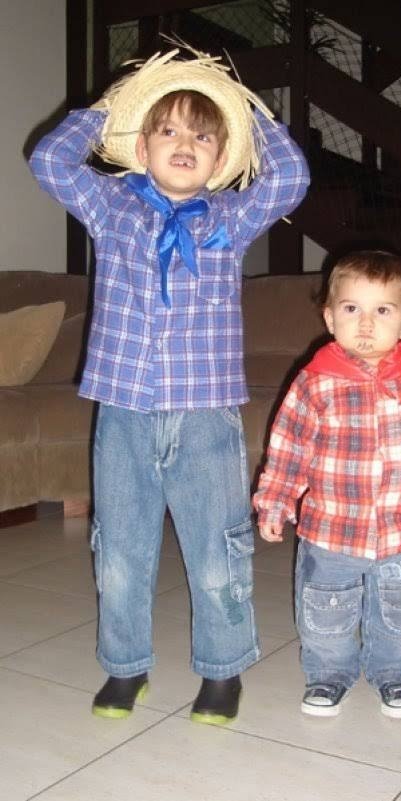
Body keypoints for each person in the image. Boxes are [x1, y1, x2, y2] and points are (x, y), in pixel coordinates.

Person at [29, 43, 310, 724]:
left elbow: (291, 178)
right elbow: (49, 161)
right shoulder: (110, 206)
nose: (185, 144)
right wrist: (106, 112)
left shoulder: (230, 218)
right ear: (142, 146)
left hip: (206, 413)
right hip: (123, 409)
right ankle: (125, 666)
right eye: (169, 131)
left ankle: (222, 670)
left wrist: (249, 113)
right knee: (120, 549)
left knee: (217, 550)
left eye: (203, 137)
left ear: (221, 158)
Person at [253, 250, 401, 719]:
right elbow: (288, 449)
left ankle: (396, 674)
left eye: (382, 310)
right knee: (328, 611)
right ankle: (328, 674)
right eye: (351, 308)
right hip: (330, 530)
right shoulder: (313, 384)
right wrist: (274, 502)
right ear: (329, 318)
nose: (364, 323)